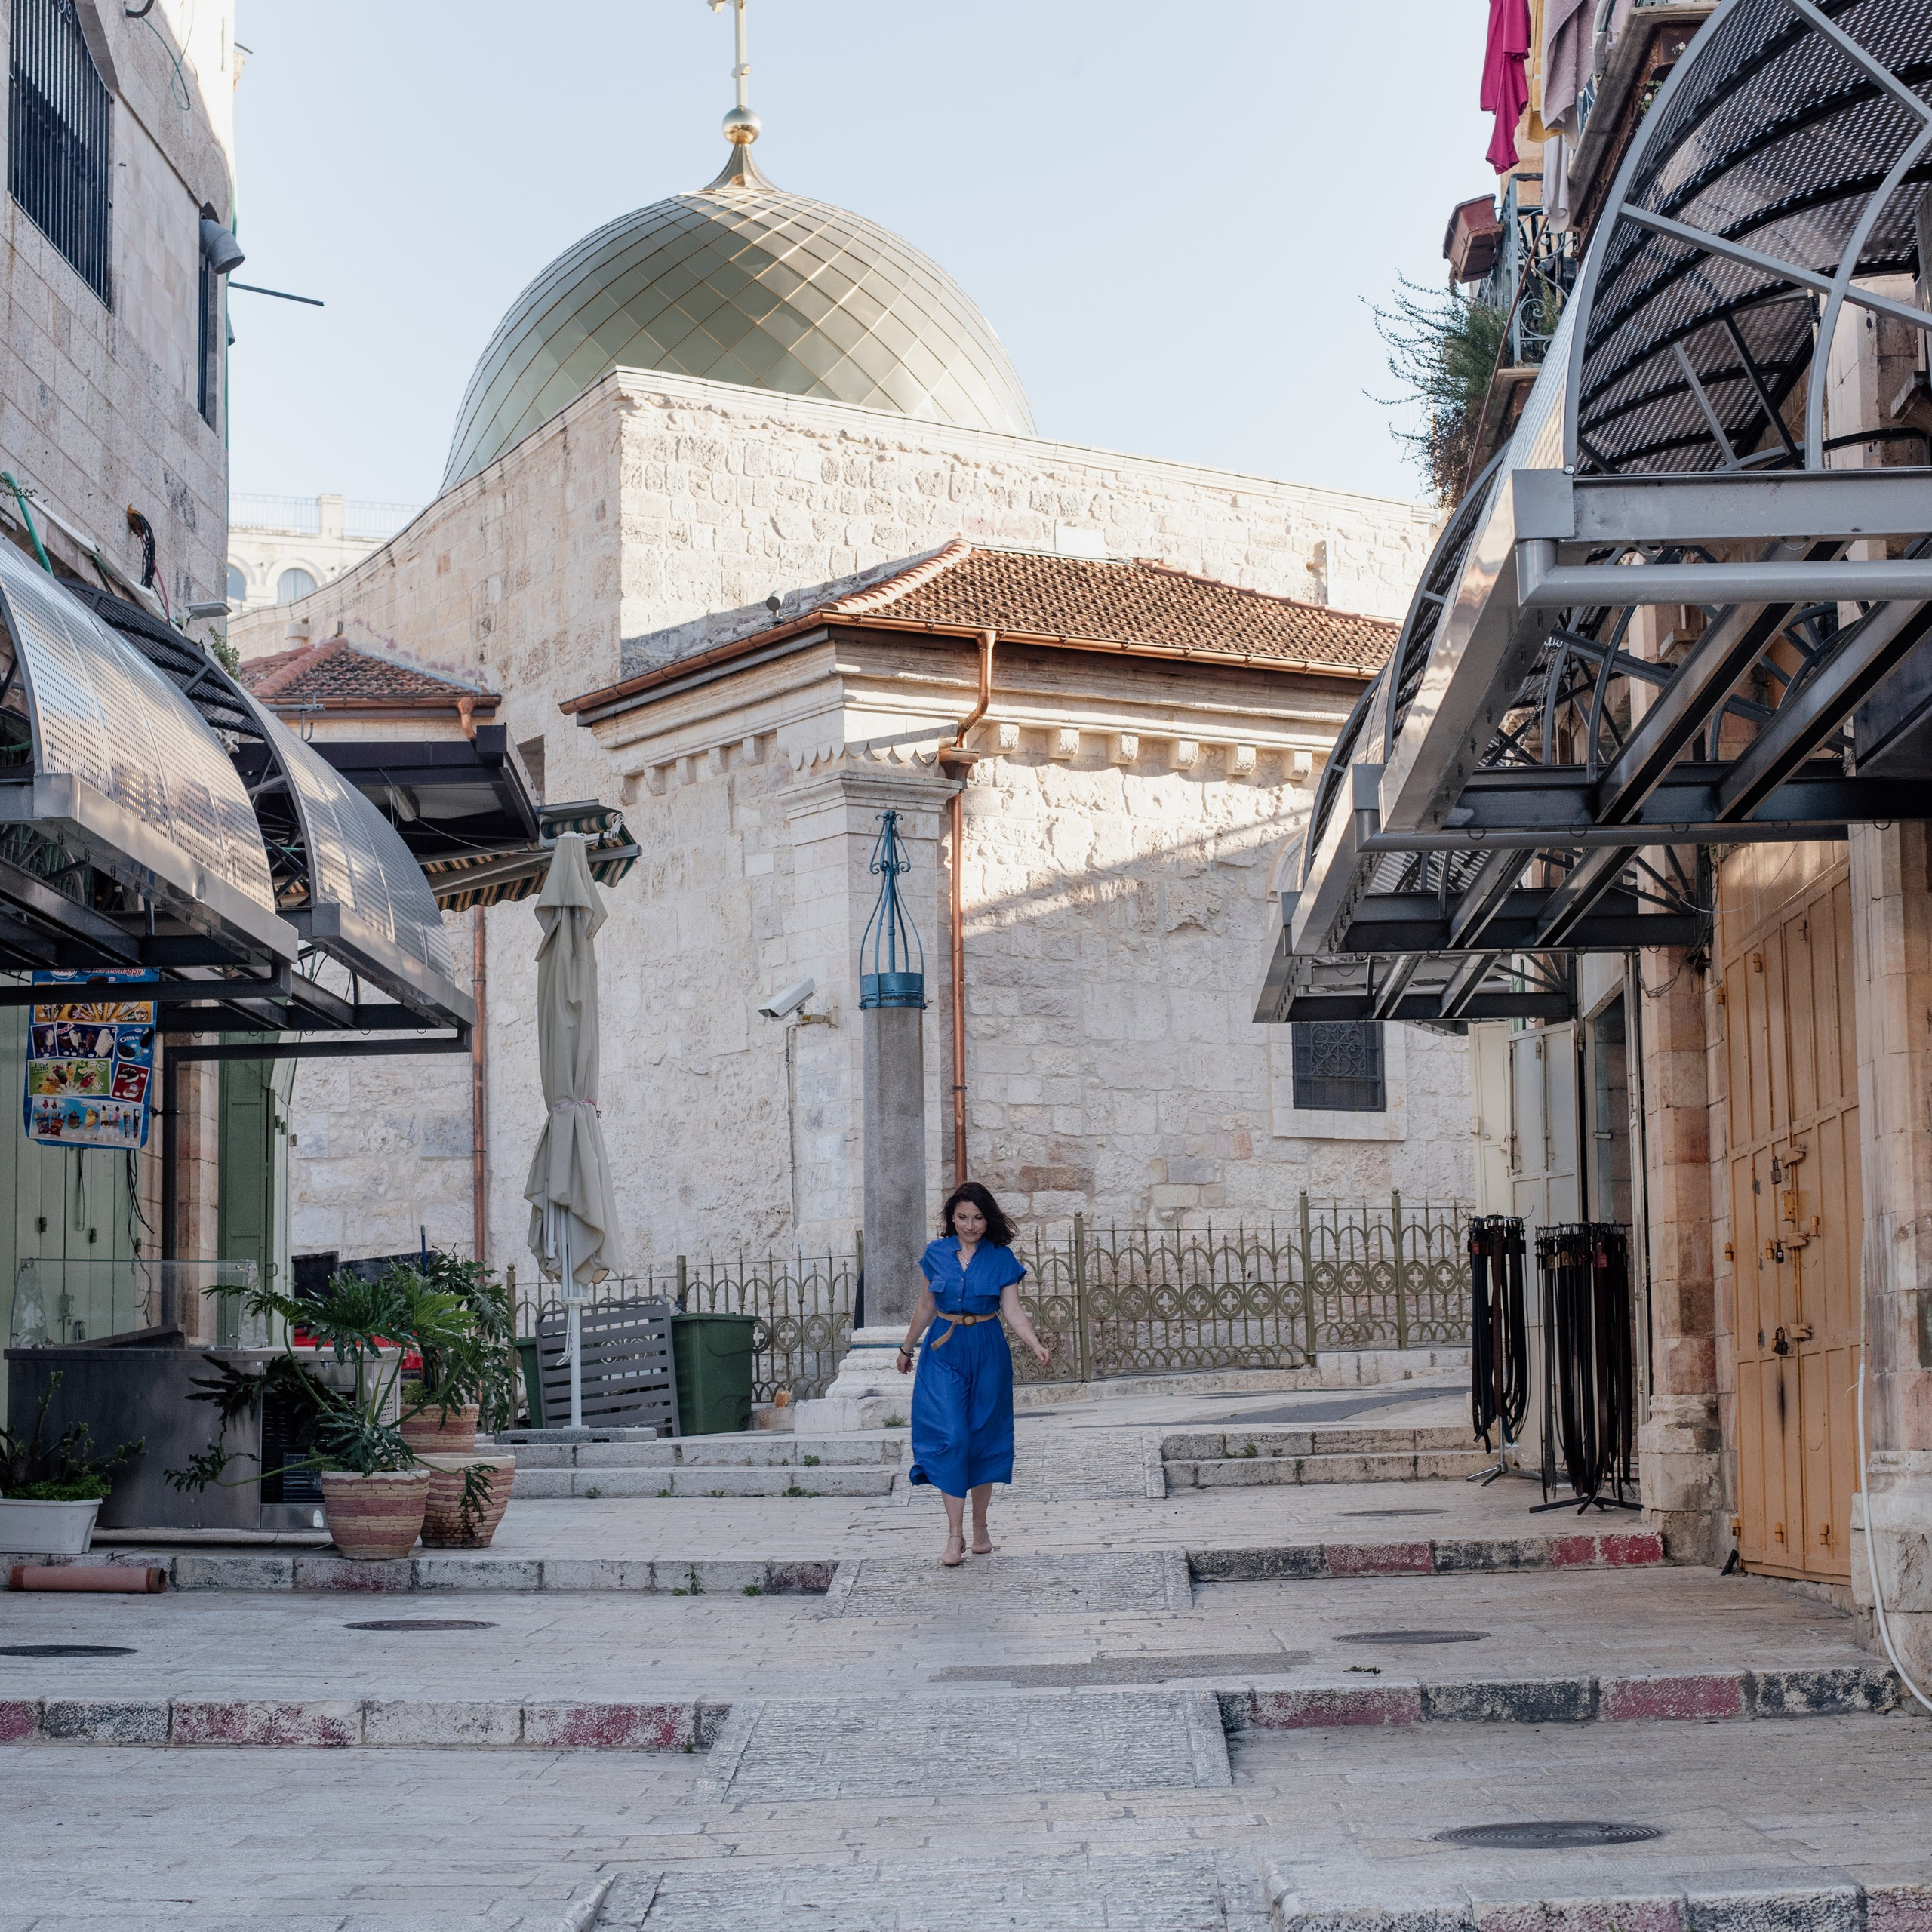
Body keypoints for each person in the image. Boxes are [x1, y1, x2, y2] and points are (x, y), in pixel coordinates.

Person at [896, 1181, 1051, 1566]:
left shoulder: (1002, 1258)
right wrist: (906, 1346)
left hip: (987, 1349)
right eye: (963, 1217)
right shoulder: (935, 1254)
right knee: (952, 1435)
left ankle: (980, 1527)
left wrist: (1033, 1343)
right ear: (952, 1217)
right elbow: (926, 1304)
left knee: (984, 1435)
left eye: (978, 1218)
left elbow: (1012, 1310)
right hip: (943, 1350)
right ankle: (955, 1535)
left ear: (988, 1219)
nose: (970, 1225)